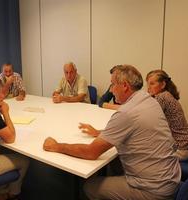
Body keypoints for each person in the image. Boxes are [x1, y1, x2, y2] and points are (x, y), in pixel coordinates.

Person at [44, 65, 181, 200]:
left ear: (125, 86)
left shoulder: (126, 112)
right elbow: (133, 127)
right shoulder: (149, 100)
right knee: (114, 162)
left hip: (155, 190)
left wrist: (56, 146)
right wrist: (100, 132)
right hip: (171, 176)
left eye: (113, 84)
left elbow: (90, 152)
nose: (111, 89)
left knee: (90, 186)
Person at [146, 69, 188, 160]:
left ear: (163, 85)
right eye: (148, 84)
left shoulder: (162, 97)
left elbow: (145, 116)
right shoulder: (167, 95)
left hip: (179, 148)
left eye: (152, 84)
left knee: (143, 156)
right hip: (183, 145)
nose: (148, 87)